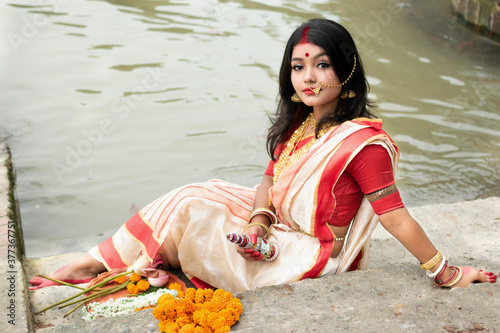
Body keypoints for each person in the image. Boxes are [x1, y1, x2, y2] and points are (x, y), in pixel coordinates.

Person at [29, 19, 496, 292]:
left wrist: (448, 272)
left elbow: (395, 219)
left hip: (310, 254)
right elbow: (269, 182)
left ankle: (108, 268)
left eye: (322, 64)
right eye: (298, 66)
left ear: (347, 71)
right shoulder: (303, 122)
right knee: (201, 189)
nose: (307, 78)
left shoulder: (361, 143)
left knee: (196, 209)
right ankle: (100, 262)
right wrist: (257, 222)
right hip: (273, 231)